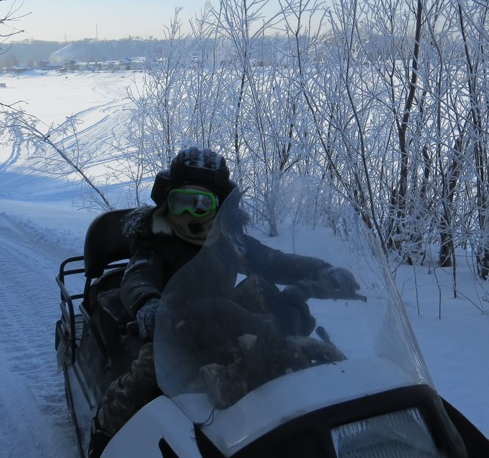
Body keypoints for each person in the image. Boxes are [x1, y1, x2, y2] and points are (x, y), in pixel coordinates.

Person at [88, 147, 359, 457]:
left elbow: (275, 261)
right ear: (167, 200)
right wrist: (147, 302)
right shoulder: (155, 239)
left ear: (218, 206)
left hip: (221, 312)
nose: (190, 214)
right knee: (145, 376)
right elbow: (138, 275)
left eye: (202, 203)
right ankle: (103, 430)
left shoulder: (229, 240)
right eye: (181, 202)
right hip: (169, 323)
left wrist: (324, 269)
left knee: (264, 298)